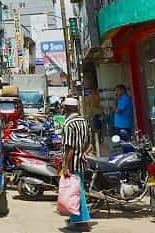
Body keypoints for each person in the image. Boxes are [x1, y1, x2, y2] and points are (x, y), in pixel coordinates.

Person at [62, 97, 92, 231]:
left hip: (73, 163)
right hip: (81, 162)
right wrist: (85, 152)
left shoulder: (69, 124)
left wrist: (65, 166)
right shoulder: (84, 121)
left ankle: (81, 223)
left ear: (67, 108)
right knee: (77, 191)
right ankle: (76, 218)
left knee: (75, 193)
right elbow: (90, 144)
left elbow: (70, 148)